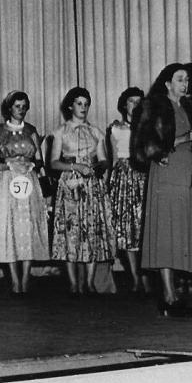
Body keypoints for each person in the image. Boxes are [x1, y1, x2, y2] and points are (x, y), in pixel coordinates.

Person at [131, 63, 192, 314]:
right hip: (166, 174)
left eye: (187, 80)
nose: (185, 84)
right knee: (165, 234)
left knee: (180, 233)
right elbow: (143, 145)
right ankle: (169, 296)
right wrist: (183, 139)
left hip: (186, 175)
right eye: (180, 79)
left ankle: (178, 292)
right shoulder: (154, 106)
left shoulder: (188, 107)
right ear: (167, 83)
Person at [50, 86, 115, 297]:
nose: (83, 108)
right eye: (79, 103)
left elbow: (104, 160)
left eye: (86, 104)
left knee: (91, 231)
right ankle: (73, 284)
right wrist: (75, 167)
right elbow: (53, 162)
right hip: (70, 185)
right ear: (70, 106)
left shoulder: (96, 132)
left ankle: (88, 283)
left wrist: (97, 168)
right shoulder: (60, 132)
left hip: (91, 185)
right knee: (70, 232)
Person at [0, 90, 49, 296]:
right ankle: (14, 280)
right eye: (17, 106)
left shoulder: (31, 130)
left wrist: (32, 165)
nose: (21, 110)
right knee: (10, 227)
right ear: (9, 108)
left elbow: (40, 160)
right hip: (7, 181)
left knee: (28, 227)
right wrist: (9, 165)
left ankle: (25, 279)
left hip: (28, 181)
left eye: (24, 107)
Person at [106, 87, 150, 294]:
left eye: (139, 102)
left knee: (144, 230)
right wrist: (111, 185)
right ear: (124, 105)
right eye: (132, 101)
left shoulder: (149, 128)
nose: (136, 105)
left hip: (144, 180)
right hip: (124, 182)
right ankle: (135, 278)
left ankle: (146, 277)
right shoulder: (115, 129)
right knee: (127, 231)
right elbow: (114, 160)